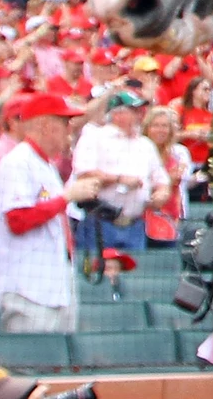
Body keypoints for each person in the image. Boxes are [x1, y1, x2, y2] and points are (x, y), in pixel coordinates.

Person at [0, 93, 105, 335]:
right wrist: (66, 197)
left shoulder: (45, 164)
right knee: (30, 365)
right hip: (27, 288)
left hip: (55, 284)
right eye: (64, 122)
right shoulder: (17, 162)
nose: (70, 128)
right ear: (45, 125)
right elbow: (17, 220)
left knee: (61, 367)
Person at [69, 90, 164, 293]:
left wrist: (161, 194)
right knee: (95, 284)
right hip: (102, 222)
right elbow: (84, 175)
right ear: (117, 113)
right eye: (134, 110)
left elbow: (161, 180)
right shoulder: (95, 137)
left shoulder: (145, 145)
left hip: (135, 224)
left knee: (136, 287)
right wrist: (119, 179)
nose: (140, 114)